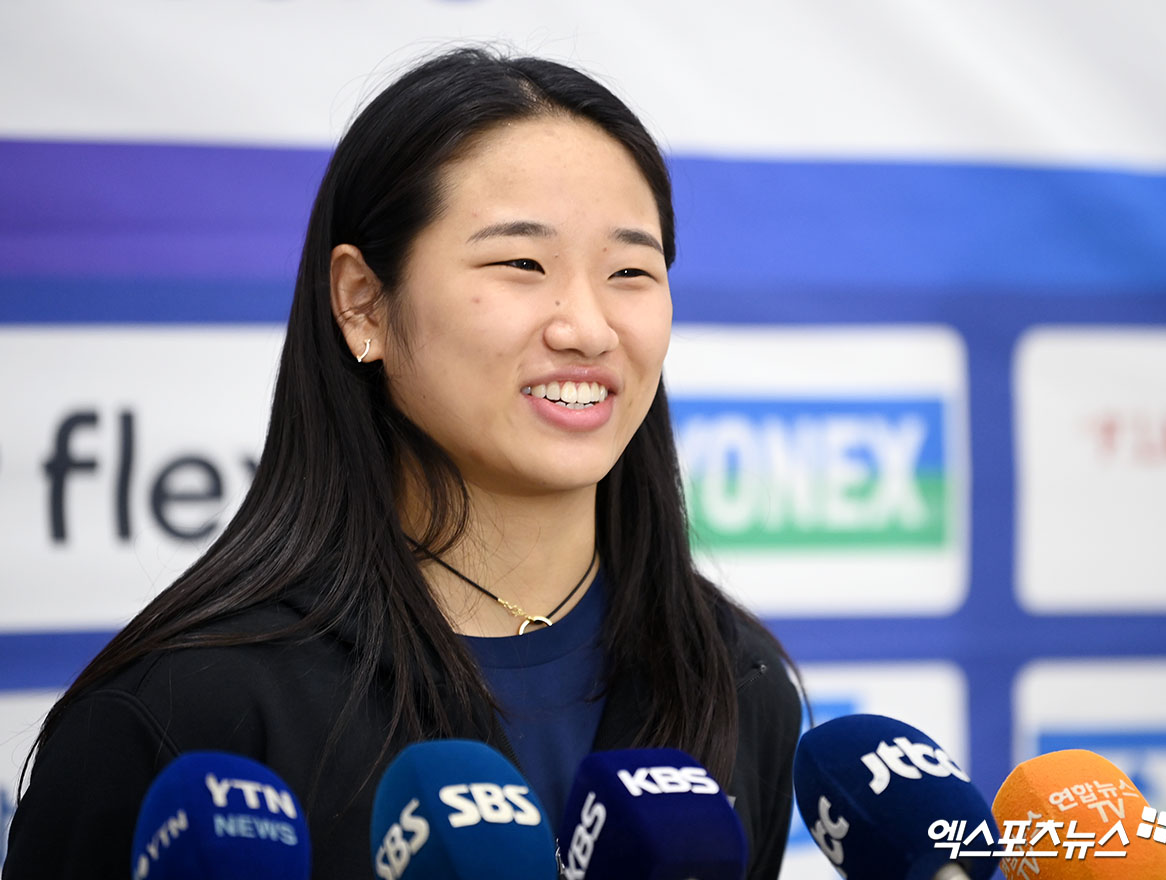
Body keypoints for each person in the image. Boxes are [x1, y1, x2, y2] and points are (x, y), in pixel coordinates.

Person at [3, 47, 802, 878]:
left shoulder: (733, 680)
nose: (589, 327)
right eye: (522, 264)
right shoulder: (189, 714)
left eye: (631, 271)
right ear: (362, 304)